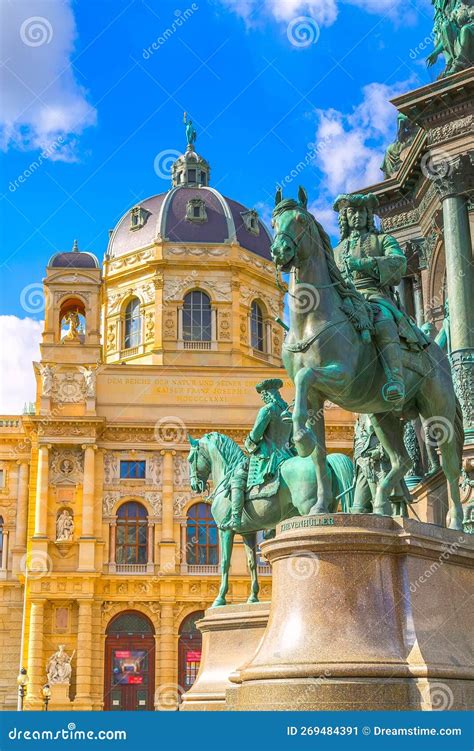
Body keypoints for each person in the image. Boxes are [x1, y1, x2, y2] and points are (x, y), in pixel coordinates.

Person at [333, 193, 428, 405]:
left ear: (368, 215)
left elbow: (398, 262)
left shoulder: (382, 240)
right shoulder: (336, 251)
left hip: (373, 296)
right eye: (351, 212)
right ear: (345, 218)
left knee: (383, 320)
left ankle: (395, 379)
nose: (356, 216)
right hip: (344, 300)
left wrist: (365, 264)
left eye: (361, 211)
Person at [222, 379, 294, 531]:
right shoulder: (288, 412)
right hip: (288, 455)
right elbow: (292, 439)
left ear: (267, 394)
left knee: (238, 476)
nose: (262, 398)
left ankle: (235, 519)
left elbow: (255, 435)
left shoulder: (268, 410)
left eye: (263, 395)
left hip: (268, 457)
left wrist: (249, 443)